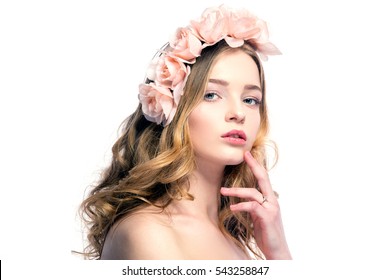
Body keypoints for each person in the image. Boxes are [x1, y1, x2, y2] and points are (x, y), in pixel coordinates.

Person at [79, 4, 292, 260]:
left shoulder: (231, 235)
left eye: (250, 99)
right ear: (174, 107)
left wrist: (278, 251)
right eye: (212, 95)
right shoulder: (148, 232)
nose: (238, 113)